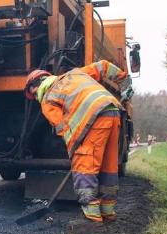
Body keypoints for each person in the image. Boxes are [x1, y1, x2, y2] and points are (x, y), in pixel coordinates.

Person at [25, 60, 131, 223]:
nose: (34, 96)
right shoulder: (75, 73)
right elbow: (102, 66)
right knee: (108, 164)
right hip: (112, 111)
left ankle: (92, 214)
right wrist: (124, 81)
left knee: (85, 163)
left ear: (35, 87)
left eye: (32, 93)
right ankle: (107, 209)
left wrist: (74, 150)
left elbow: (64, 127)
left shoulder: (47, 99)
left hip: (93, 121)